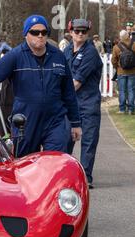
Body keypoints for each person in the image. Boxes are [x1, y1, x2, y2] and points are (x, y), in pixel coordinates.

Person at [0, 15, 82, 158]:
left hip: (55, 120)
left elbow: (68, 92)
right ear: (26, 34)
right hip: (25, 122)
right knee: (25, 165)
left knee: (55, 162)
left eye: (44, 32)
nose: (40, 36)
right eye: (35, 32)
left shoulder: (58, 56)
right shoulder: (16, 56)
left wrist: (75, 123)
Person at [65, 19, 103, 190]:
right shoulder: (66, 50)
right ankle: (62, 176)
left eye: (84, 31)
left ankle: (86, 177)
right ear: (71, 32)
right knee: (64, 140)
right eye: (77, 31)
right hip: (71, 105)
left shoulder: (91, 53)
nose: (80, 34)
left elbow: (76, 82)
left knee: (88, 141)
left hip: (88, 103)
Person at [111, 30, 135, 115]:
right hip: (132, 71)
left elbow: (113, 60)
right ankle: (131, 109)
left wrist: (117, 67)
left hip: (121, 71)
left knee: (122, 91)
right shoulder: (134, 44)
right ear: (128, 36)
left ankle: (122, 109)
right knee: (131, 90)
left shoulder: (116, 47)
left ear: (120, 37)